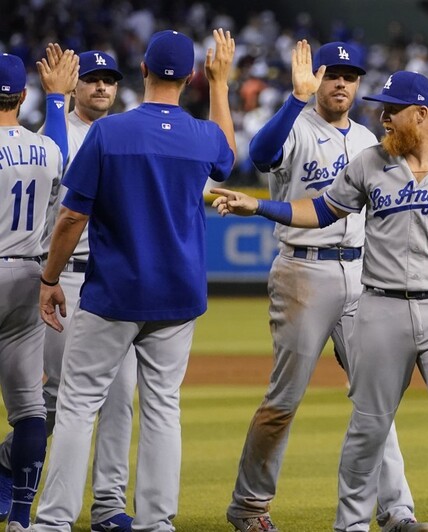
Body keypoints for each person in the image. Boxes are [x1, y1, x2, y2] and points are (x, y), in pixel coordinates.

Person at [212, 70, 428, 531]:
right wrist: (260, 206)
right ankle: (345, 524)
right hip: (377, 303)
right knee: (367, 425)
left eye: (393, 109)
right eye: (382, 108)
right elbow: (322, 209)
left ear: (423, 114)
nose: (383, 116)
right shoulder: (371, 160)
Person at [31, 29, 236, 532]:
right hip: (179, 295)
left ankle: (54, 522)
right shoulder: (203, 135)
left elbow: (71, 216)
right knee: (163, 408)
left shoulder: (109, 132)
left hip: (115, 292)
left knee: (79, 405)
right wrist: (221, 86)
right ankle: (156, 522)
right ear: (190, 76)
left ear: (142, 70)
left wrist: (50, 277)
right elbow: (228, 158)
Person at [225, 40, 428, 532]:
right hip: (303, 272)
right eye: (332, 74)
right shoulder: (295, 126)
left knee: (376, 396)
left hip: (362, 273)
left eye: (350, 76)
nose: (341, 83)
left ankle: (396, 509)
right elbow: (260, 155)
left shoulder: (369, 139)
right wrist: (296, 98)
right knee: (284, 399)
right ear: (316, 78)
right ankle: (248, 507)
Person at [0, 49, 137, 532]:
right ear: (74, 86)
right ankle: (10, 465)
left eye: (109, 80)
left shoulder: (124, 135)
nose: (101, 86)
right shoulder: (49, 139)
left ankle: (109, 505)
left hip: (113, 276)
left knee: (120, 396)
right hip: (61, 275)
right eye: (92, 79)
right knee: (54, 399)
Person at [0, 47, 76, 532]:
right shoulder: (47, 149)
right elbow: (62, 151)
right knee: (30, 410)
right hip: (29, 278)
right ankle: (22, 518)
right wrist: (57, 99)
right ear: (21, 96)